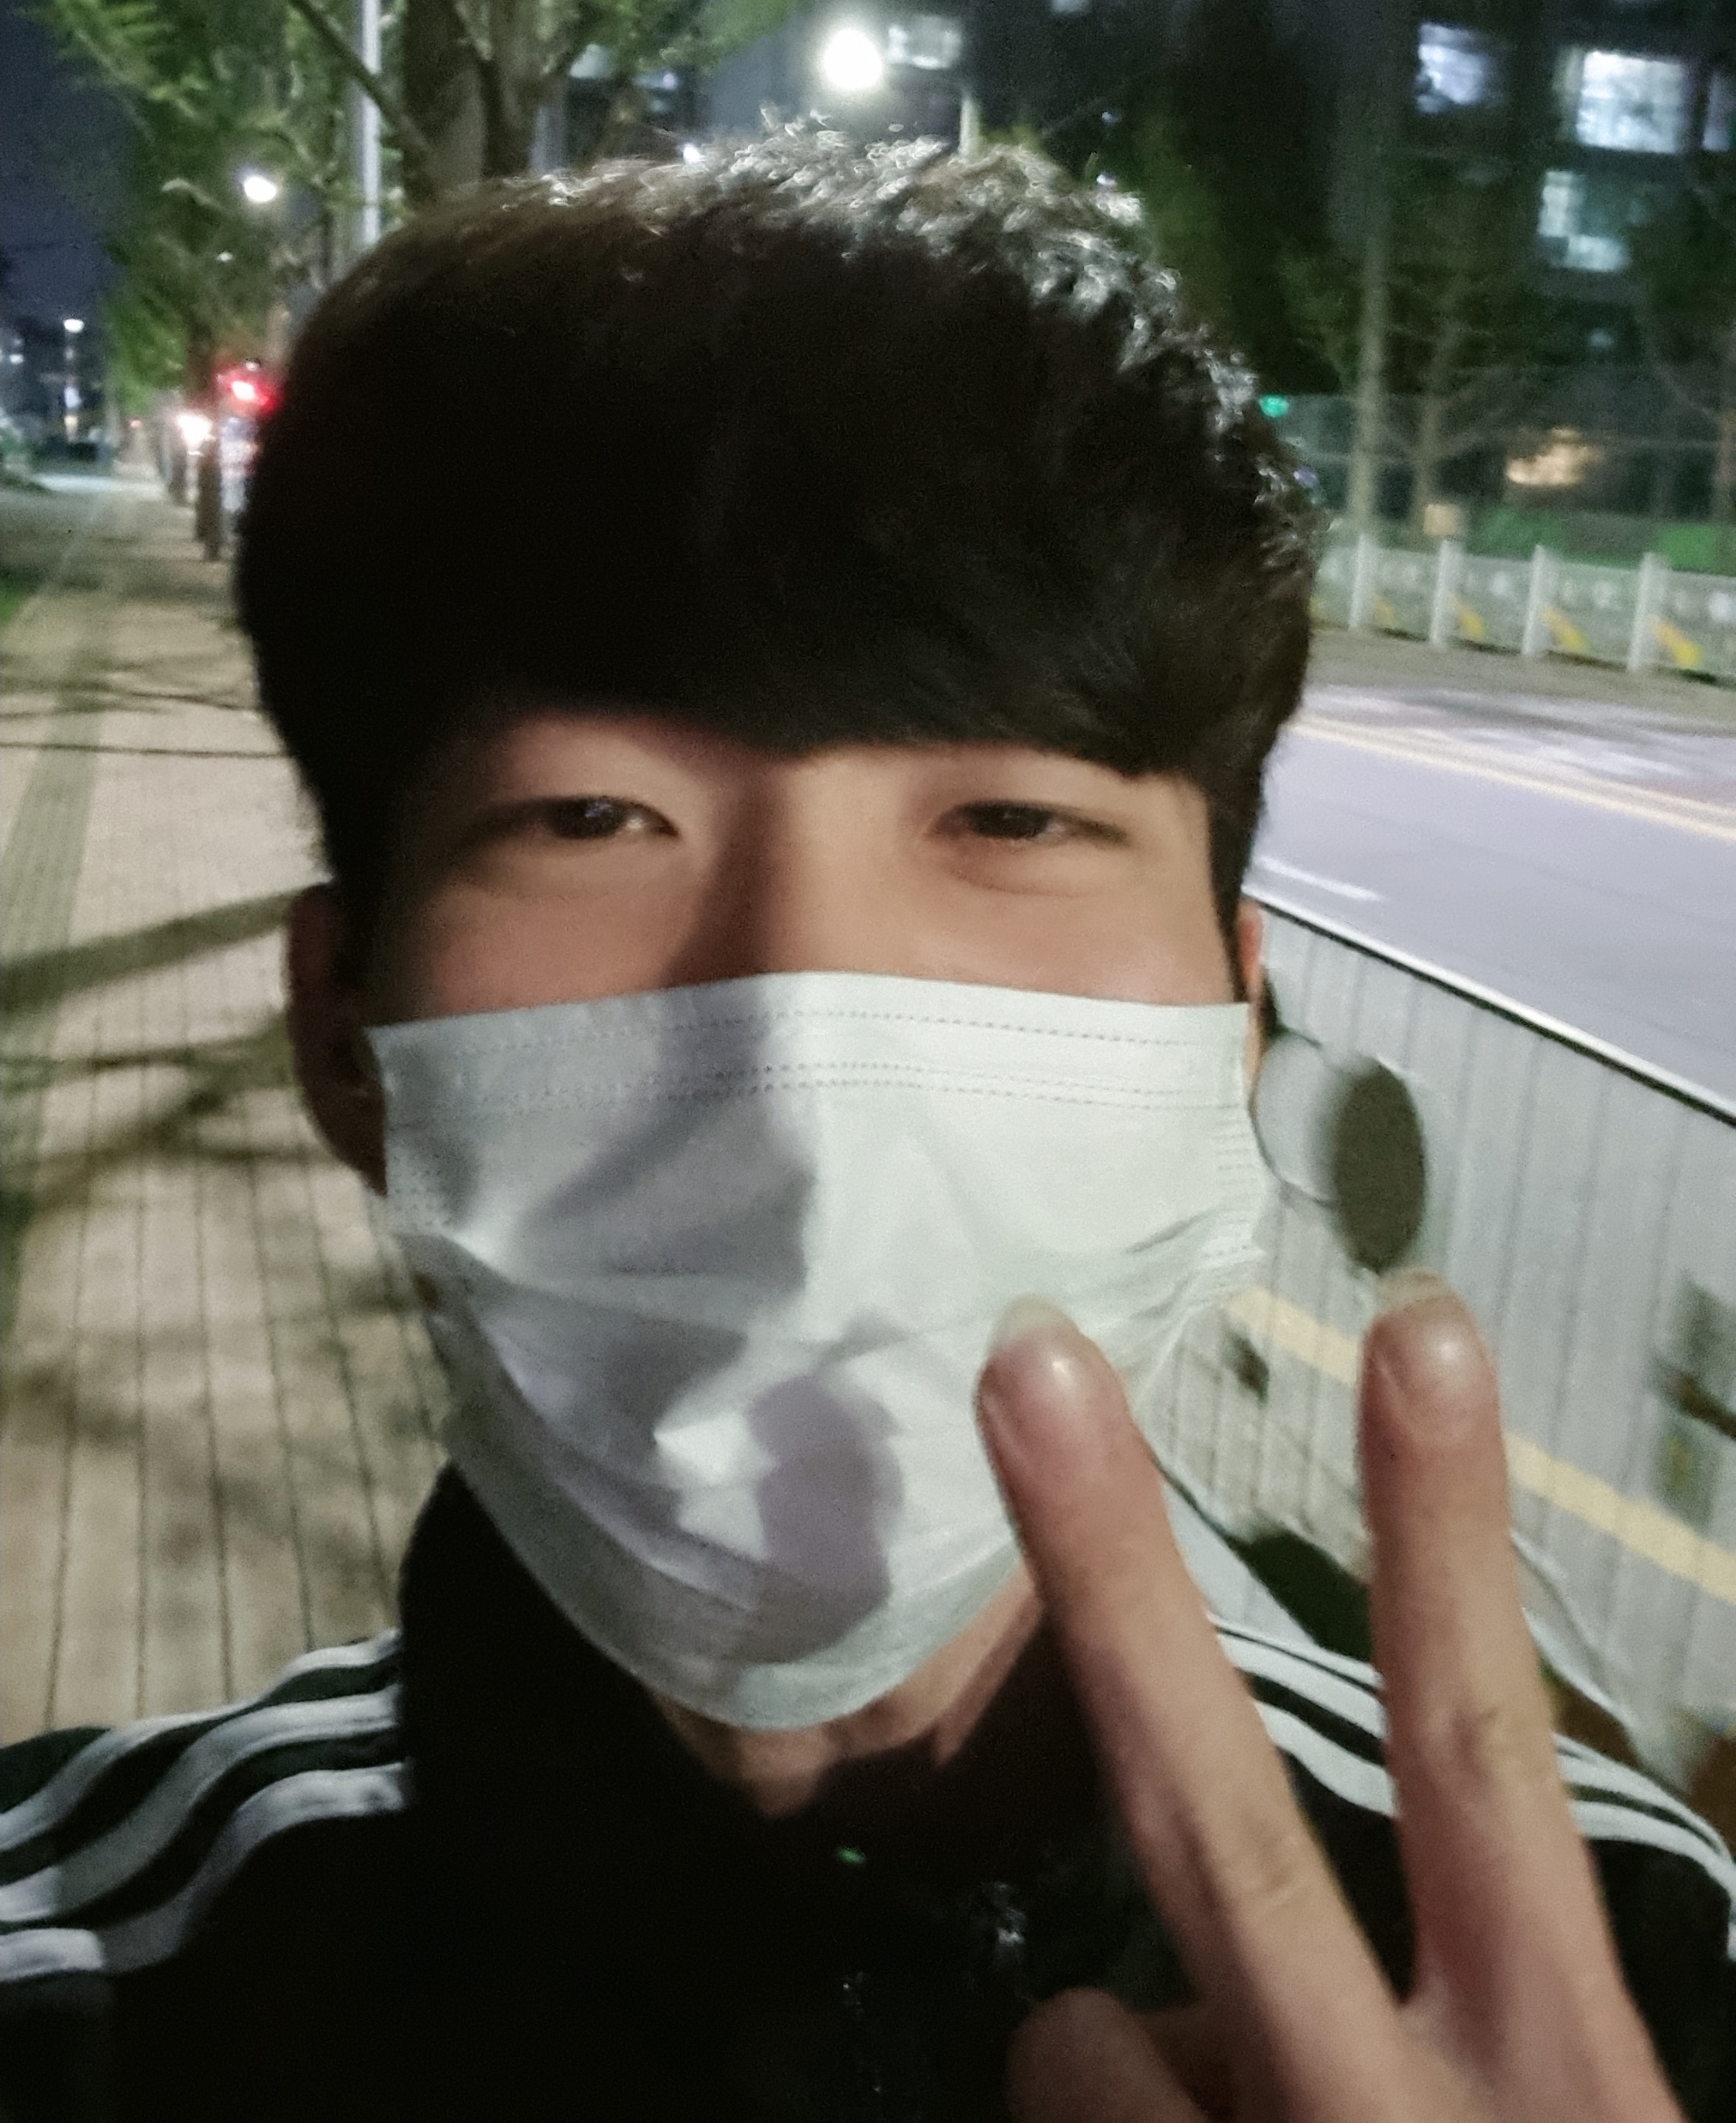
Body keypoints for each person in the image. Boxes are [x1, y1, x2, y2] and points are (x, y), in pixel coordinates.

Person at [0, 137, 1729, 2123]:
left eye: (1016, 817)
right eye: (592, 817)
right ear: (343, 1033)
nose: (802, 1046)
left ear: (1237, 1025)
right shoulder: (87, 1989)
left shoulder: (1640, 1974)